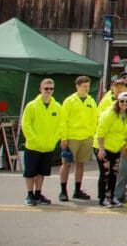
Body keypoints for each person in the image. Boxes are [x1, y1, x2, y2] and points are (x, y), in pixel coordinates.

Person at [21, 78, 62, 206]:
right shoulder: (32, 105)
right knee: (30, 172)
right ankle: (29, 194)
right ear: (40, 89)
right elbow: (25, 124)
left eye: (51, 89)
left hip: (47, 146)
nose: (49, 91)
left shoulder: (57, 106)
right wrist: (33, 138)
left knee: (41, 172)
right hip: (33, 146)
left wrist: (55, 139)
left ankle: (38, 193)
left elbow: (60, 125)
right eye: (46, 88)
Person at [58, 75, 97, 202]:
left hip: (86, 137)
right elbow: (63, 120)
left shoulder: (91, 101)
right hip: (72, 137)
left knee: (81, 164)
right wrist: (64, 137)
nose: (86, 88)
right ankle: (63, 190)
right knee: (66, 164)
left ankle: (77, 190)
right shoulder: (69, 101)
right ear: (77, 86)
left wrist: (92, 135)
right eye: (84, 86)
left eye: (88, 86)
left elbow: (94, 119)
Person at [96, 91, 127, 207]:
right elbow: (101, 132)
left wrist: (124, 147)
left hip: (116, 148)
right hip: (104, 147)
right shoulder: (110, 114)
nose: (124, 103)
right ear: (118, 101)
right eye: (122, 101)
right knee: (105, 173)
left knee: (114, 173)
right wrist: (101, 148)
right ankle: (102, 199)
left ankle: (111, 197)